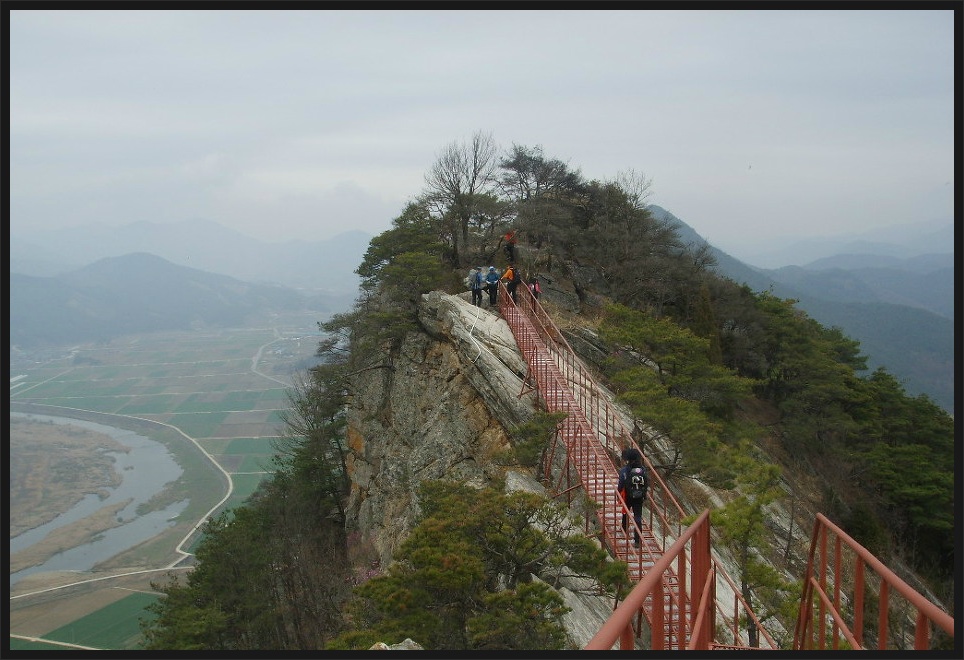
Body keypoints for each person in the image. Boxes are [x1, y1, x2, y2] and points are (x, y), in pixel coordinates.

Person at [616, 447, 648, 547]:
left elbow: (621, 483)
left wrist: (618, 493)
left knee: (625, 511)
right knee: (638, 517)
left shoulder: (625, 470)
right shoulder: (642, 469)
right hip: (639, 496)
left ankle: (624, 529)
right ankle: (637, 540)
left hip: (628, 495)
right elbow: (646, 482)